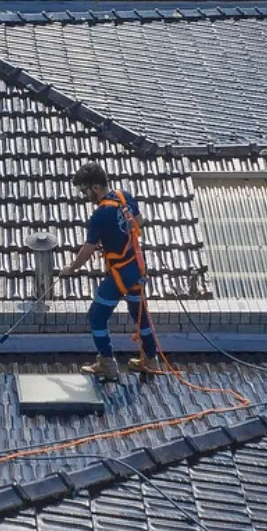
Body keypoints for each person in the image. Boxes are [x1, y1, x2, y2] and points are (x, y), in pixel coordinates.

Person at [65, 161, 158, 383]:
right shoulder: (124, 197)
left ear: (95, 187)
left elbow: (88, 249)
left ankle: (107, 364)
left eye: (84, 190)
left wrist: (71, 268)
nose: (84, 195)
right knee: (139, 314)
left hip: (119, 274)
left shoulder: (100, 215)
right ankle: (151, 360)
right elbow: (139, 222)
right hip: (137, 267)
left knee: (97, 316)